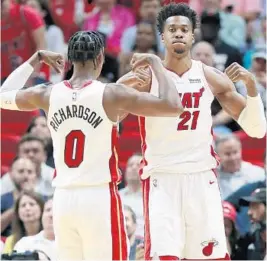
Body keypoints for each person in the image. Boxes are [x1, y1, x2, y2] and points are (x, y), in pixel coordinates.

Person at [0, 30, 183, 260]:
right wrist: (157, 64)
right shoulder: (111, 93)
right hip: (98, 198)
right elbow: (173, 105)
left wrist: (35, 59)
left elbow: (3, 94)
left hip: (63, 200)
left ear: (70, 60)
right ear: (100, 58)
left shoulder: (47, 94)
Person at [118, 3, 266, 260]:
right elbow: (110, 115)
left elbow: (256, 129)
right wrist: (123, 85)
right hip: (162, 178)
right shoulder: (146, 77)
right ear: (162, 36)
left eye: (184, 29)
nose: (178, 33)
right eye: (172, 29)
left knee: (211, 256)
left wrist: (252, 89)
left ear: (192, 35)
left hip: (201, 178)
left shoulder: (209, 76)